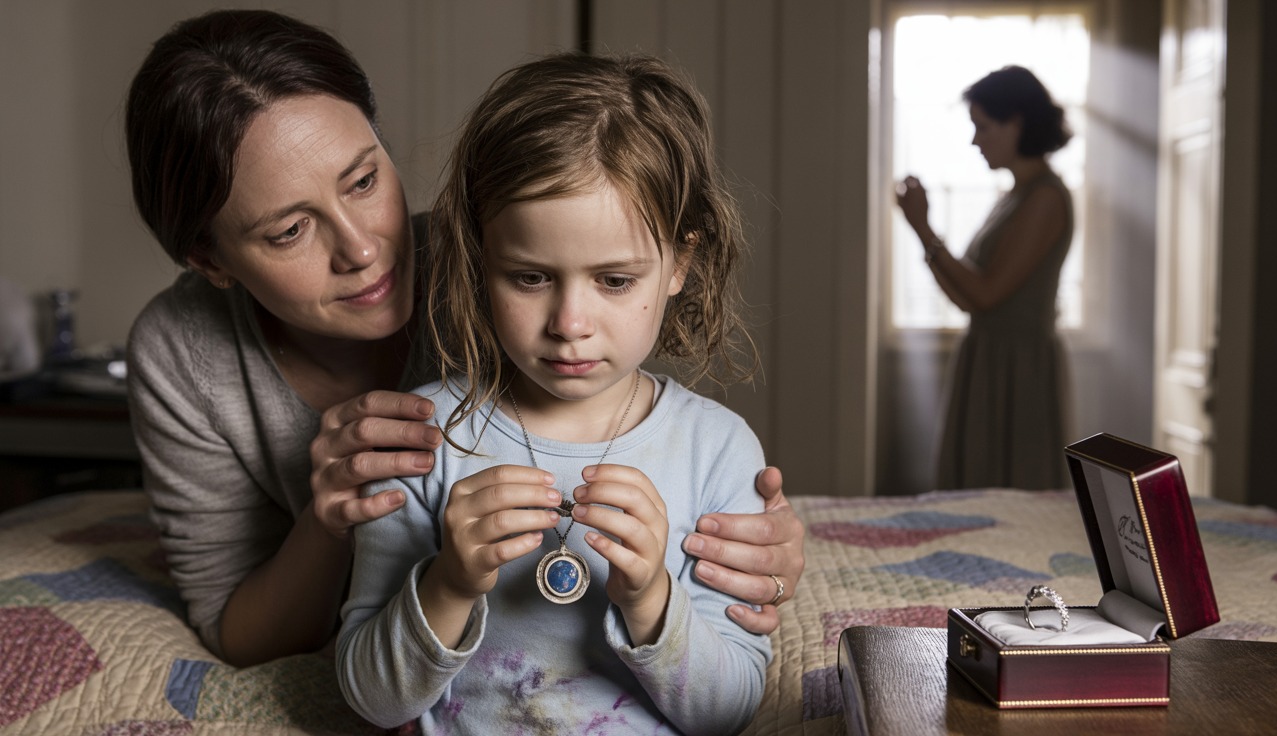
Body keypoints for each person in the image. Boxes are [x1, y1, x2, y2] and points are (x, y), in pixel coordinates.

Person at [123, 9, 803, 668]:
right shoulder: (183, 352)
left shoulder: (503, 263)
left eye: (364, 180)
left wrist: (746, 545)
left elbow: (656, 450)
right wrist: (331, 521)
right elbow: (238, 634)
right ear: (210, 260)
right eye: (289, 231)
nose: (362, 249)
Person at [337, 53, 770, 734]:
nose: (570, 324)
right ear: (481, 261)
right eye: (531, 277)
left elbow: (730, 711)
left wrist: (652, 599)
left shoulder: (717, 450)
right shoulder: (422, 437)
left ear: (680, 264)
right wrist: (448, 583)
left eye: (616, 280)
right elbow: (370, 697)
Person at [894, 65, 1074, 490]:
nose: (976, 141)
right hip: (990, 359)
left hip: (1019, 368)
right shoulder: (1013, 196)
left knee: (1012, 488)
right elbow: (968, 298)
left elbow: (988, 293)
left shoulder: (1045, 197)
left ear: (1017, 123)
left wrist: (923, 228)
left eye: (984, 127)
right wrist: (923, 231)